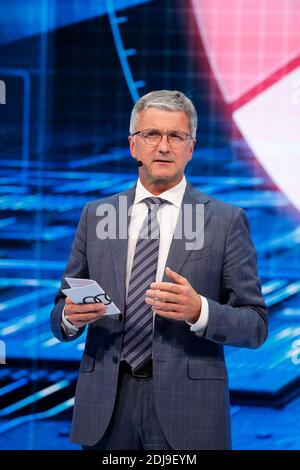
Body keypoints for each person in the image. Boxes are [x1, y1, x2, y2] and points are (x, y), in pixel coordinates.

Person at [51, 90, 268, 450]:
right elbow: (59, 315)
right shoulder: (96, 215)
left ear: (191, 147)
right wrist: (71, 318)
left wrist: (200, 311)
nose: (163, 146)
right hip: (106, 407)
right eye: (152, 134)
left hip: (189, 412)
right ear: (133, 145)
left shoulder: (225, 221)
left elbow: (256, 326)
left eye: (176, 136)